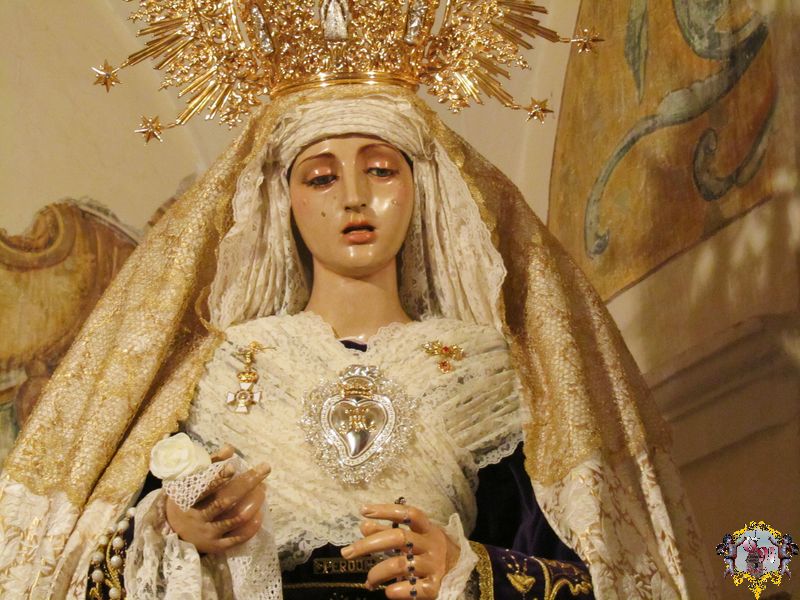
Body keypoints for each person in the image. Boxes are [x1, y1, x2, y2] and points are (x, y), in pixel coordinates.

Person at [0, 3, 718, 598]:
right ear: (281, 202)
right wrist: (176, 530)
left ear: (421, 190)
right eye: (319, 177)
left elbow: (594, 572)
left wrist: (464, 568)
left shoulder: (489, 372)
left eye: (380, 170)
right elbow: (90, 564)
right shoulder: (219, 368)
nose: (352, 197)